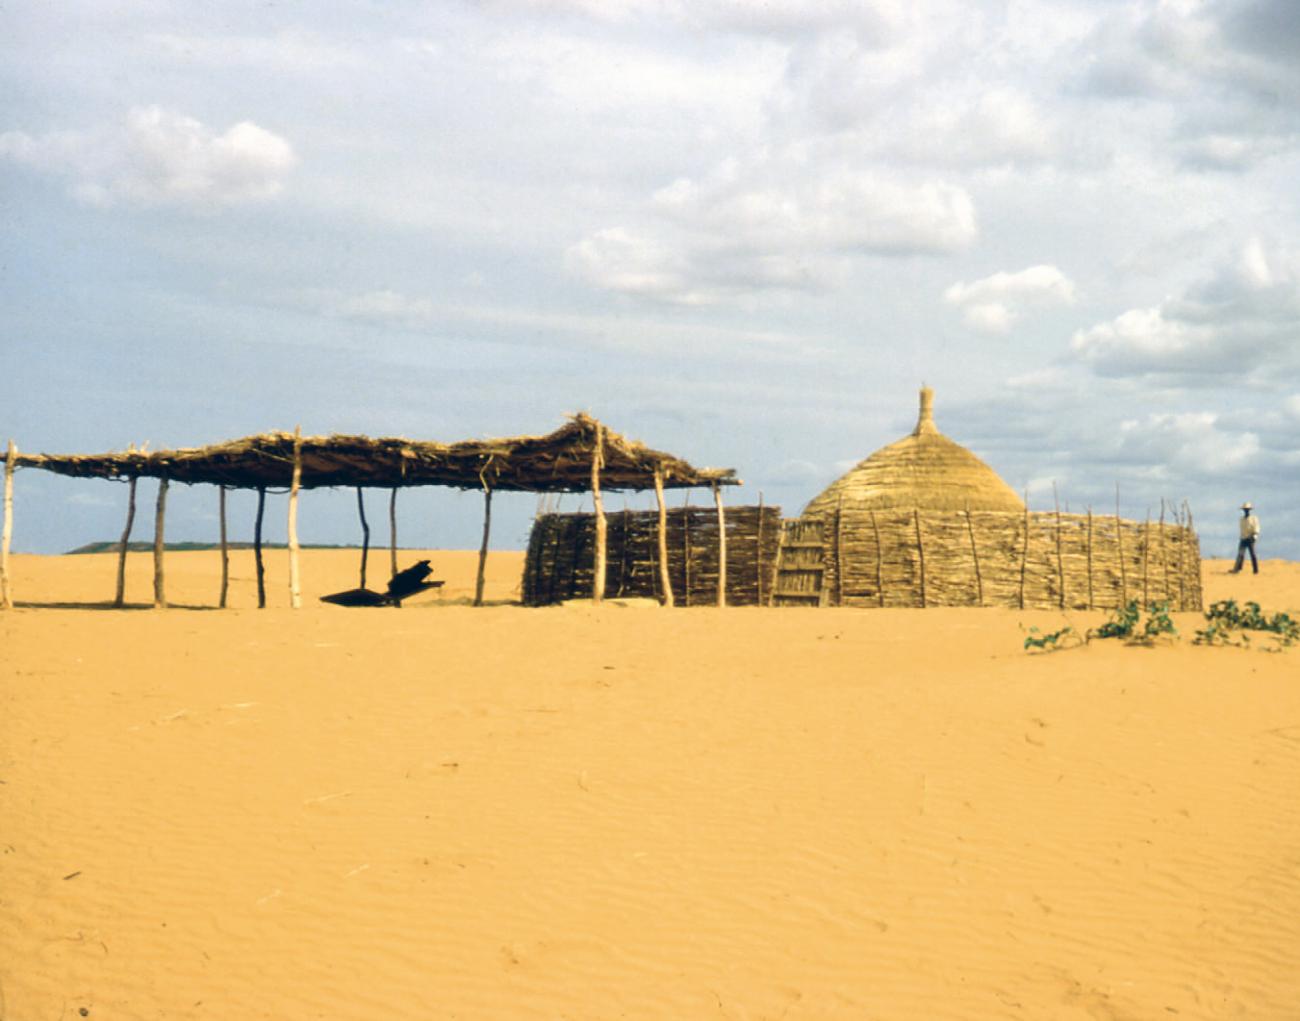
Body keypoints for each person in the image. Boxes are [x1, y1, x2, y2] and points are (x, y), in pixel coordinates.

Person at [1231, 502, 1260, 574]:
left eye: (1247, 509)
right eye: (1245, 509)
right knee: (1240, 554)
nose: (1246, 511)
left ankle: (1255, 570)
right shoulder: (1241, 519)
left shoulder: (1254, 518)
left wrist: (1254, 536)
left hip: (1251, 538)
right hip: (1243, 538)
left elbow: (1256, 528)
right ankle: (1237, 569)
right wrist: (1242, 537)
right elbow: (1241, 529)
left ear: (1249, 510)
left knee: (1253, 554)